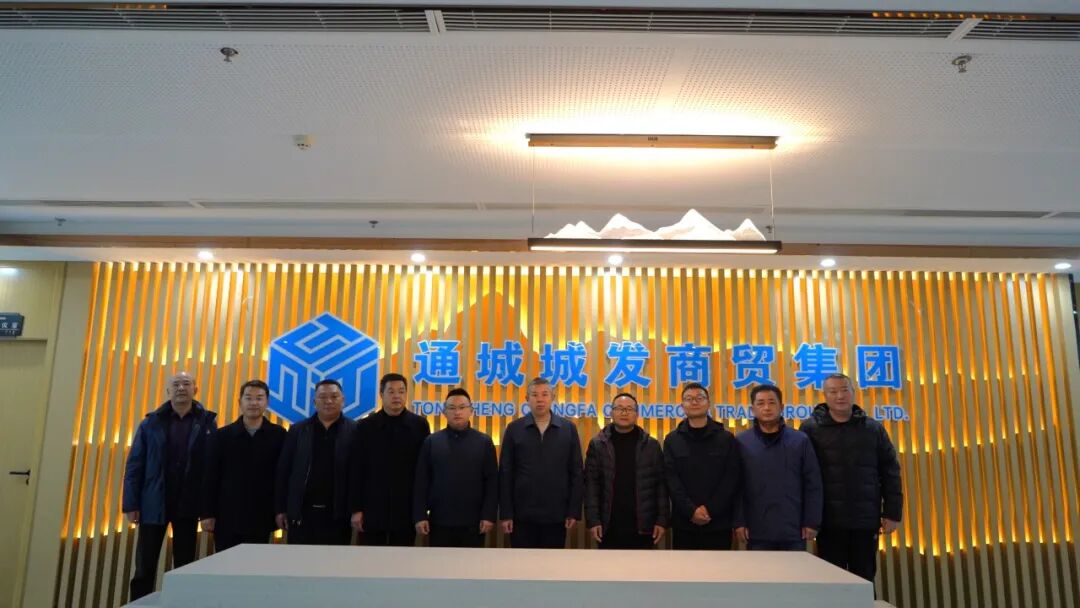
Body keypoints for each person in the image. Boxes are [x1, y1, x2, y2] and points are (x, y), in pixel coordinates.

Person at [123, 371, 217, 600]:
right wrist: (131, 504)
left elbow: (211, 467)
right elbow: (135, 465)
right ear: (168, 391)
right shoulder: (151, 423)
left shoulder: (207, 423)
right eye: (176, 384)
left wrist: (208, 508)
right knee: (144, 566)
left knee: (184, 565)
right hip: (153, 502)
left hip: (188, 504)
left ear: (195, 389)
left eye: (186, 384)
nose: (181, 388)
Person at [800, 373, 903, 583]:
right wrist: (808, 518)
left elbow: (890, 471)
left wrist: (892, 513)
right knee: (831, 581)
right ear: (825, 396)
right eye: (833, 391)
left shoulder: (873, 428)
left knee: (864, 579)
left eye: (844, 390)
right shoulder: (810, 429)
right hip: (828, 521)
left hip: (865, 520)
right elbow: (803, 476)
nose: (840, 396)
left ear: (853, 393)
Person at [201, 379, 287, 551]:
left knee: (256, 563)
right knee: (226, 562)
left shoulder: (279, 435)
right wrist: (207, 513)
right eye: (248, 398)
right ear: (240, 402)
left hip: (262, 514)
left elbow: (282, 476)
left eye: (259, 398)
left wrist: (281, 510)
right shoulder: (222, 436)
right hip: (226, 515)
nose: (254, 403)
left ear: (267, 403)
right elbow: (209, 476)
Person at [734, 384, 822, 551]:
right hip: (756, 529)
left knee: (794, 569)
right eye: (761, 403)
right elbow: (736, 486)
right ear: (752, 409)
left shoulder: (800, 440)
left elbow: (813, 484)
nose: (767, 408)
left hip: (793, 529)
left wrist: (811, 521)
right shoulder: (742, 442)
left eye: (772, 402)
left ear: (781, 407)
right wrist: (739, 521)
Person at [499, 377, 584, 548]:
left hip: (557, 514)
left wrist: (573, 511)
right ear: (527, 398)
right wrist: (506, 513)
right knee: (521, 562)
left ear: (553, 397)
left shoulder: (568, 429)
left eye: (545, 394)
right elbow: (506, 472)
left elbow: (576, 472)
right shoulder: (514, 428)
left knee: (551, 563)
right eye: (535, 395)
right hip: (521, 515)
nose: (540, 399)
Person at [350, 373, 431, 546]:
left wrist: (421, 511)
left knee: (402, 557)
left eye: (401, 391)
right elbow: (356, 469)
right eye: (391, 391)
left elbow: (424, 471)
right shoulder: (365, 426)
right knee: (370, 557)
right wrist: (356, 509)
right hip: (372, 506)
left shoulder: (419, 425)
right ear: (381, 394)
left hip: (406, 506)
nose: (396, 396)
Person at [275, 379, 357, 545]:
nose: (328, 401)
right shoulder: (298, 430)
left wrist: (357, 509)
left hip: (339, 514)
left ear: (343, 400)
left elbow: (359, 474)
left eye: (334, 396)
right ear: (314, 402)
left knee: (335, 560)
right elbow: (284, 471)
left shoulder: (355, 430)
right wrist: (280, 509)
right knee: (299, 559)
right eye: (323, 397)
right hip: (302, 513)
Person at [413, 388, 498, 547]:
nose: (457, 412)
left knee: (472, 562)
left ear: (471, 410)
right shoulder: (431, 442)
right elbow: (422, 481)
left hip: (474, 522)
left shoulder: (484, 442)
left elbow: (492, 482)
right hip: (439, 520)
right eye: (452, 408)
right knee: (439, 562)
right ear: (444, 412)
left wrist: (488, 515)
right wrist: (420, 515)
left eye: (462, 407)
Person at [663, 382, 742, 550]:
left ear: (708, 403)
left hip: (718, 522)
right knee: (683, 567)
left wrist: (710, 510)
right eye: (689, 399)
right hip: (684, 523)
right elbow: (672, 480)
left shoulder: (726, 439)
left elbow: (731, 478)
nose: (694, 402)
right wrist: (691, 511)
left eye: (700, 398)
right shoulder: (672, 440)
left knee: (720, 566)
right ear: (682, 406)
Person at [584, 393, 668, 549]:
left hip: (644, 524)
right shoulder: (598, 444)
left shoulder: (651, 445)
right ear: (611, 412)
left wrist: (662, 520)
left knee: (643, 564)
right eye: (619, 408)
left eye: (629, 409)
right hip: (608, 524)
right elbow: (591, 485)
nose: (624, 413)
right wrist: (593, 520)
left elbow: (661, 485)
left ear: (637, 414)